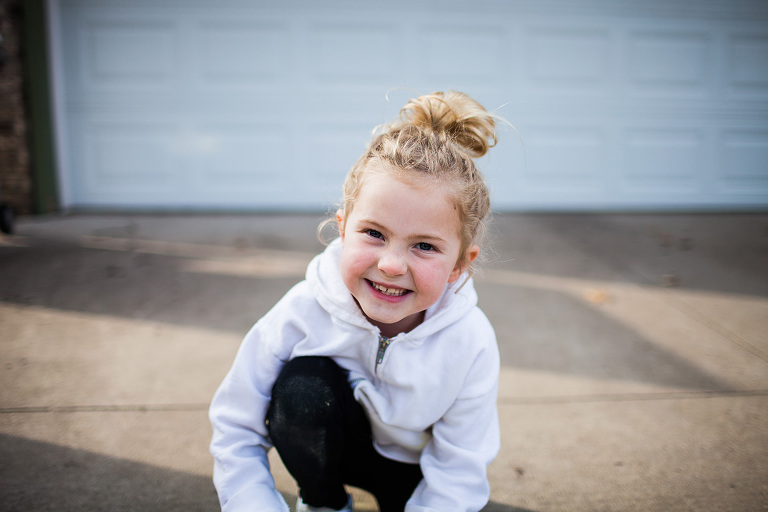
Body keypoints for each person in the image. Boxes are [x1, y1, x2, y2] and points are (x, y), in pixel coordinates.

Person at [209, 90, 502, 512]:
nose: (391, 265)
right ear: (343, 230)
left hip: (417, 472)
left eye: (424, 245)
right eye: (374, 234)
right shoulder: (305, 308)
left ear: (459, 264)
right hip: (334, 450)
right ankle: (325, 502)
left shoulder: (470, 339)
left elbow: (461, 465)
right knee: (302, 390)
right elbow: (236, 425)